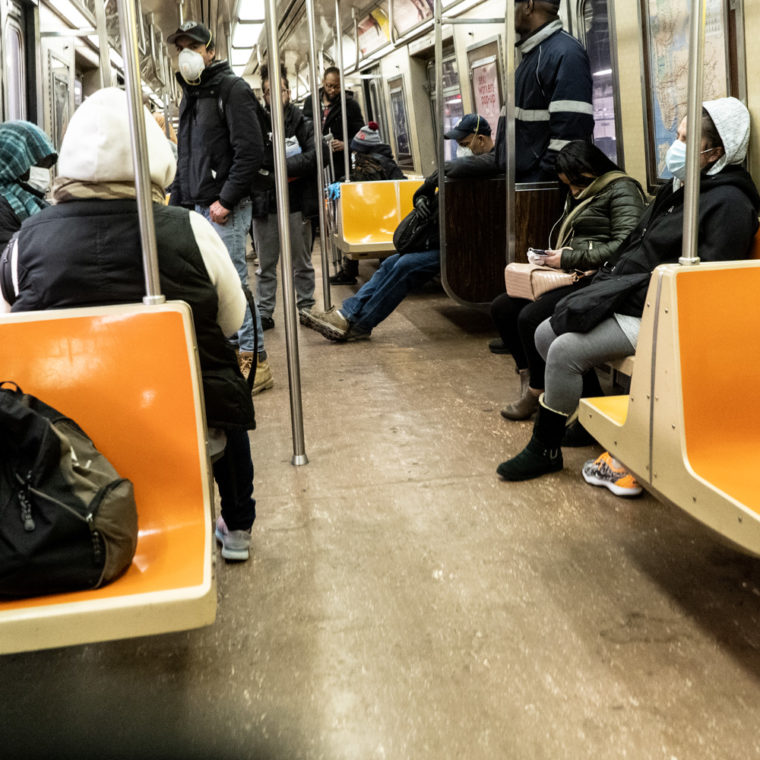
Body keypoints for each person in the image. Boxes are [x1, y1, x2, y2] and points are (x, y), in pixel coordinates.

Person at [0, 88, 258, 562]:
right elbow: (233, 319)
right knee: (222, 391)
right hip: (185, 425)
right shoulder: (190, 230)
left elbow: (13, 330)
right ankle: (237, 524)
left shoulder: (25, 243)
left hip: (65, 435)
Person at [496, 97, 760, 484]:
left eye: (686, 139)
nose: (676, 146)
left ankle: (544, 449)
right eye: (677, 135)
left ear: (716, 152)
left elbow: (704, 287)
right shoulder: (681, 188)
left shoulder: (730, 204)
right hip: (635, 293)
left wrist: (620, 296)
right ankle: (588, 419)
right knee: (543, 331)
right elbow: (638, 246)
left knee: (564, 351)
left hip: (665, 312)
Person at [303, 114, 498, 341]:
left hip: (468, 245)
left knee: (406, 265)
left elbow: (479, 165)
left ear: (481, 140)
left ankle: (361, 324)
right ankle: (345, 314)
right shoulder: (470, 168)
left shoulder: (494, 163)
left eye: (465, 144)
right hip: (448, 238)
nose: (462, 150)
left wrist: (437, 175)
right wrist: (425, 196)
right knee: (393, 261)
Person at [492, 141, 648, 422]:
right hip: (573, 269)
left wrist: (569, 259)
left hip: (600, 277)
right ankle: (531, 377)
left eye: (578, 184)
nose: (574, 191)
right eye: (569, 185)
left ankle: (538, 391)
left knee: (530, 318)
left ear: (594, 170)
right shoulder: (581, 193)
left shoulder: (622, 190)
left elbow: (625, 245)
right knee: (503, 307)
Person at [167, 20, 273, 395]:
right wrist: (177, 202)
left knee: (235, 285)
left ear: (211, 51)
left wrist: (224, 201)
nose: (187, 55)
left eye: (193, 47)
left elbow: (251, 151)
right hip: (196, 207)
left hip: (223, 208)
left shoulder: (232, 89)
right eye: (181, 48)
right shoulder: (191, 96)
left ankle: (256, 359)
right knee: (208, 287)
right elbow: (186, 157)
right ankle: (230, 353)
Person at [489, 0, 594, 356]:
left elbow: (571, 132)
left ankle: (531, 339)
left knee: (539, 268)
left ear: (529, 5)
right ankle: (518, 334)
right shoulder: (532, 56)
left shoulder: (564, 53)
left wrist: (546, 180)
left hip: (542, 186)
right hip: (523, 181)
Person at [252, 65, 317, 331]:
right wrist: (282, 165)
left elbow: (313, 157)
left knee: (301, 262)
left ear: (287, 92)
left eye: (278, 90)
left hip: (296, 202)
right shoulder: (256, 123)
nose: (273, 96)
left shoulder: (302, 122)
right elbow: (254, 161)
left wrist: (277, 168)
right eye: (267, 92)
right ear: (264, 96)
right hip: (266, 204)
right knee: (266, 265)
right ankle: (265, 312)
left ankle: (306, 307)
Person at [302, 66, 365, 284]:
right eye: (329, 85)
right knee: (317, 214)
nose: (333, 90)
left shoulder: (350, 105)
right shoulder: (310, 102)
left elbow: (362, 135)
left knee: (342, 218)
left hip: (339, 168)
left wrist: (346, 144)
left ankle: (349, 267)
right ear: (323, 82)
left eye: (337, 86)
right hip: (314, 167)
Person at [0, 121, 57, 248]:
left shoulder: (33, 200)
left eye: (47, 166)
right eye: (38, 164)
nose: (44, 172)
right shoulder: (3, 206)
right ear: (14, 164)